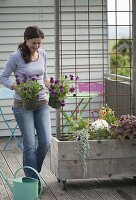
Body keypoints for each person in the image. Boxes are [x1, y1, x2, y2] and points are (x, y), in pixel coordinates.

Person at [0, 26, 51, 181]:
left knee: (45, 142)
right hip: (23, 105)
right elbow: (3, 77)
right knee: (29, 144)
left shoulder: (43, 54)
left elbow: (45, 77)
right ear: (26, 39)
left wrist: (54, 89)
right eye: (33, 43)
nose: (36, 46)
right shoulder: (16, 57)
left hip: (42, 102)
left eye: (39, 43)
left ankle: (33, 173)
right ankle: (32, 181)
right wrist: (17, 87)